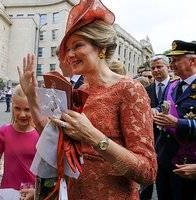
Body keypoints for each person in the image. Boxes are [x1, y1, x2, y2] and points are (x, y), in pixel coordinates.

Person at [18, 1, 157, 199]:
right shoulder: (77, 90)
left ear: (100, 47)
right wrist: (31, 96)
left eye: (78, 46)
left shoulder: (130, 89)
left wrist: (92, 135)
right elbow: (51, 138)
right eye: (67, 49)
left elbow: (148, 172)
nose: (70, 55)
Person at [153, 40, 196, 199]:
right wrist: (154, 111)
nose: (171, 64)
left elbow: (177, 118)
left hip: (188, 163)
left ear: (192, 61)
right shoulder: (172, 85)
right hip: (165, 159)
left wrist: (178, 123)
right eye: (170, 60)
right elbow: (165, 107)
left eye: (176, 60)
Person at [0, 85, 39, 191]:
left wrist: (37, 191)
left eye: (27, 109)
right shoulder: (3, 132)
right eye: (17, 108)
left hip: (34, 194)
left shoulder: (41, 133)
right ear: (12, 107)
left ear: (34, 108)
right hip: (8, 193)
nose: (22, 114)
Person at [141, 55, 170, 200]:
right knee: (148, 183)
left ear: (168, 67)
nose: (156, 70)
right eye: (153, 68)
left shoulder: (175, 87)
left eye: (159, 67)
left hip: (170, 142)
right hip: (150, 138)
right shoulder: (145, 89)